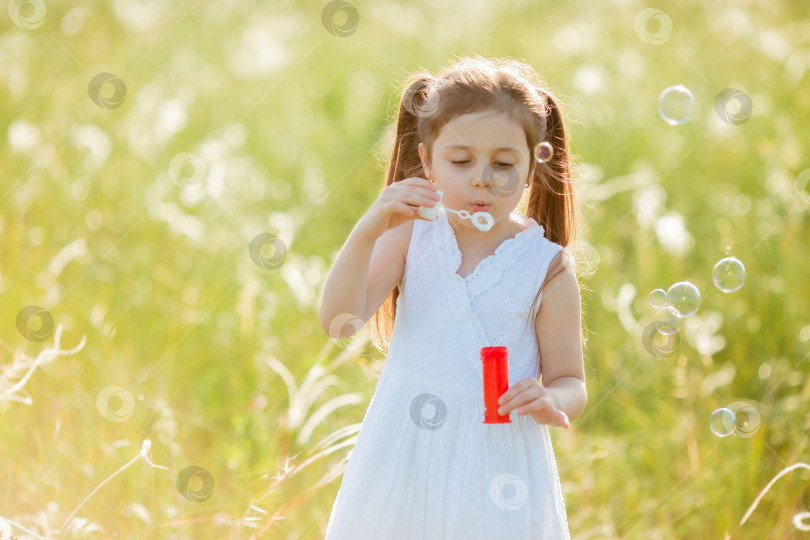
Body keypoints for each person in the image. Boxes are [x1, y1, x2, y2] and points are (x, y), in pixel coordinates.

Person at [319, 54, 587, 539]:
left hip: (497, 468)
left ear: (531, 167)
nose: (483, 178)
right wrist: (365, 233)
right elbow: (340, 321)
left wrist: (550, 396)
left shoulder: (544, 268)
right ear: (426, 159)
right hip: (403, 453)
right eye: (461, 161)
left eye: (504, 163)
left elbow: (571, 380)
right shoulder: (412, 235)